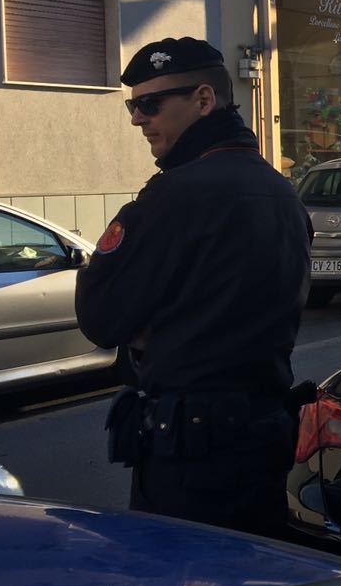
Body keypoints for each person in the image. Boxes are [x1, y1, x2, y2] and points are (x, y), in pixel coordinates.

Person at [77, 37, 312, 535]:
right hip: (263, 442)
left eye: (150, 104)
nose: (138, 119)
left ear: (204, 100)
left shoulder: (173, 197)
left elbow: (98, 316)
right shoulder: (283, 192)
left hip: (191, 457)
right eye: (132, 106)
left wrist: (152, 326)